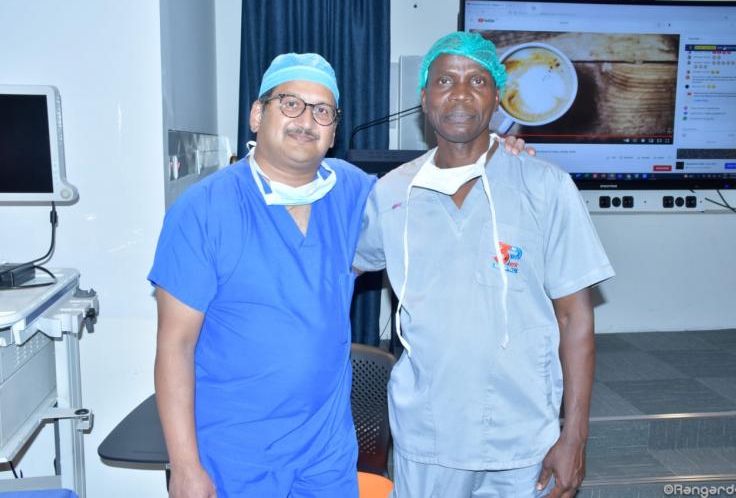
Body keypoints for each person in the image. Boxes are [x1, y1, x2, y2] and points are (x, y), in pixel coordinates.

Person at [354, 32, 615, 498]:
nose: (460, 93)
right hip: (426, 437)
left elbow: (575, 318)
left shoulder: (545, 187)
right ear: (424, 98)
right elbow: (336, 271)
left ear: (497, 98)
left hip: (523, 441)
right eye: (444, 81)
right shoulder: (392, 193)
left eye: (477, 81)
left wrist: (575, 435)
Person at [149, 53, 375, 498]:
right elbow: (175, 346)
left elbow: (422, 192)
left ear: (333, 132)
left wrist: (496, 152)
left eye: (322, 111)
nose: (306, 120)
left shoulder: (350, 191)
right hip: (235, 455)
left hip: (326, 454)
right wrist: (186, 467)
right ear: (257, 115)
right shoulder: (204, 210)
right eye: (290, 103)